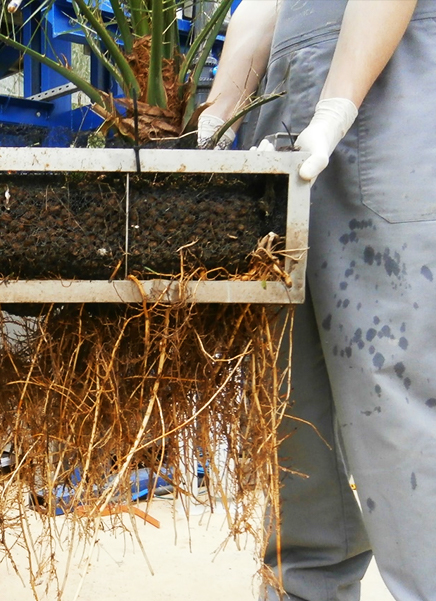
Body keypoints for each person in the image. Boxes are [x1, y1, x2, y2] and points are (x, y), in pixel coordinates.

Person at [198, 1, 436, 600]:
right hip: (281, 112)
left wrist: (339, 103)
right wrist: (220, 115)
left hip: (384, 87)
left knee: (392, 402)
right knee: (291, 412)